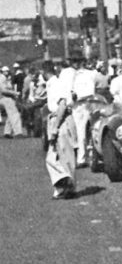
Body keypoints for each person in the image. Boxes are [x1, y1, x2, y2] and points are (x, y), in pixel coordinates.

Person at [43, 63, 76, 199]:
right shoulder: (51, 84)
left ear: (45, 72)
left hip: (61, 120)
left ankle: (69, 188)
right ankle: (62, 185)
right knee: (52, 157)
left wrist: (56, 127)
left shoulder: (56, 84)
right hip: (55, 119)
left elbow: (62, 105)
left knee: (65, 155)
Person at [1, 66, 24, 138]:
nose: (7, 72)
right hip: (5, 98)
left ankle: (7, 132)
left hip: (5, 98)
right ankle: (18, 133)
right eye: (5, 71)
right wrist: (15, 93)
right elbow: (3, 90)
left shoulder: (5, 78)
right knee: (15, 114)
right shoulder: (2, 78)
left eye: (7, 71)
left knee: (10, 115)